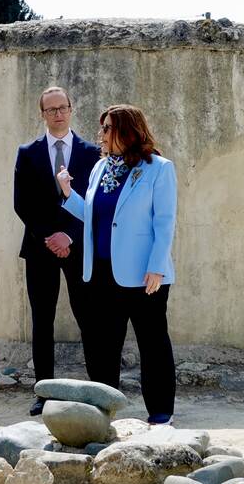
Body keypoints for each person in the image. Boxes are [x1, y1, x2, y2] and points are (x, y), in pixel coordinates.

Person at [57, 104, 177, 425]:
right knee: (101, 347)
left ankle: (160, 410)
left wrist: (157, 267)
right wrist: (69, 194)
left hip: (144, 275)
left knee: (152, 343)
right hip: (101, 274)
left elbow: (165, 222)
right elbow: (96, 220)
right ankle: (103, 407)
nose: (102, 134)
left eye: (107, 128)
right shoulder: (100, 169)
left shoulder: (159, 169)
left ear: (127, 131)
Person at [13, 86, 101, 416]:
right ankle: (43, 391)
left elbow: (94, 204)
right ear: (42, 114)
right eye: (50, 110)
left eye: (62, 107)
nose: (57, 114)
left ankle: (97, 387)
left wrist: (70, 236)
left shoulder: (91, 152)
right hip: (39, 248)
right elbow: (22, 203)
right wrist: (50, 236)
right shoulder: (28, 152)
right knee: (42, 321)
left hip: (79, 249)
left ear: (71, 108)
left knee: (88, 317)